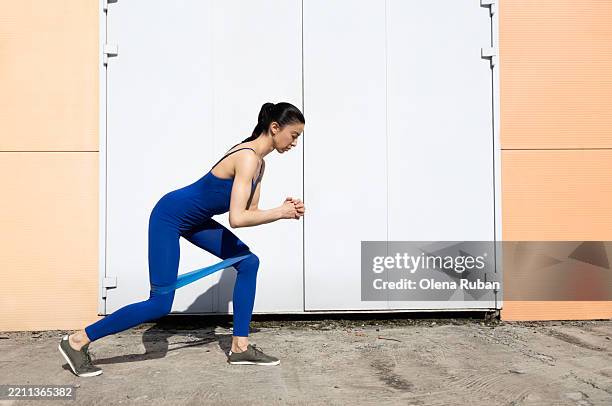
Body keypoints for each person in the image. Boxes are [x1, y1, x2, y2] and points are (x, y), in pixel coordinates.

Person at [58, 102, 306, 376]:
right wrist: (281, 212)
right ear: (275, 128)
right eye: (294, 135)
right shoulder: (247, 157)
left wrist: (284, 211)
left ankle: (240, 347)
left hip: (194, 220)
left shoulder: (260, 165)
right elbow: (237, 218)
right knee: (160, 304)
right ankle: (76, 341)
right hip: (169, 216)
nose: (295, 142)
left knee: (248, 263)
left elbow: (251, 213)